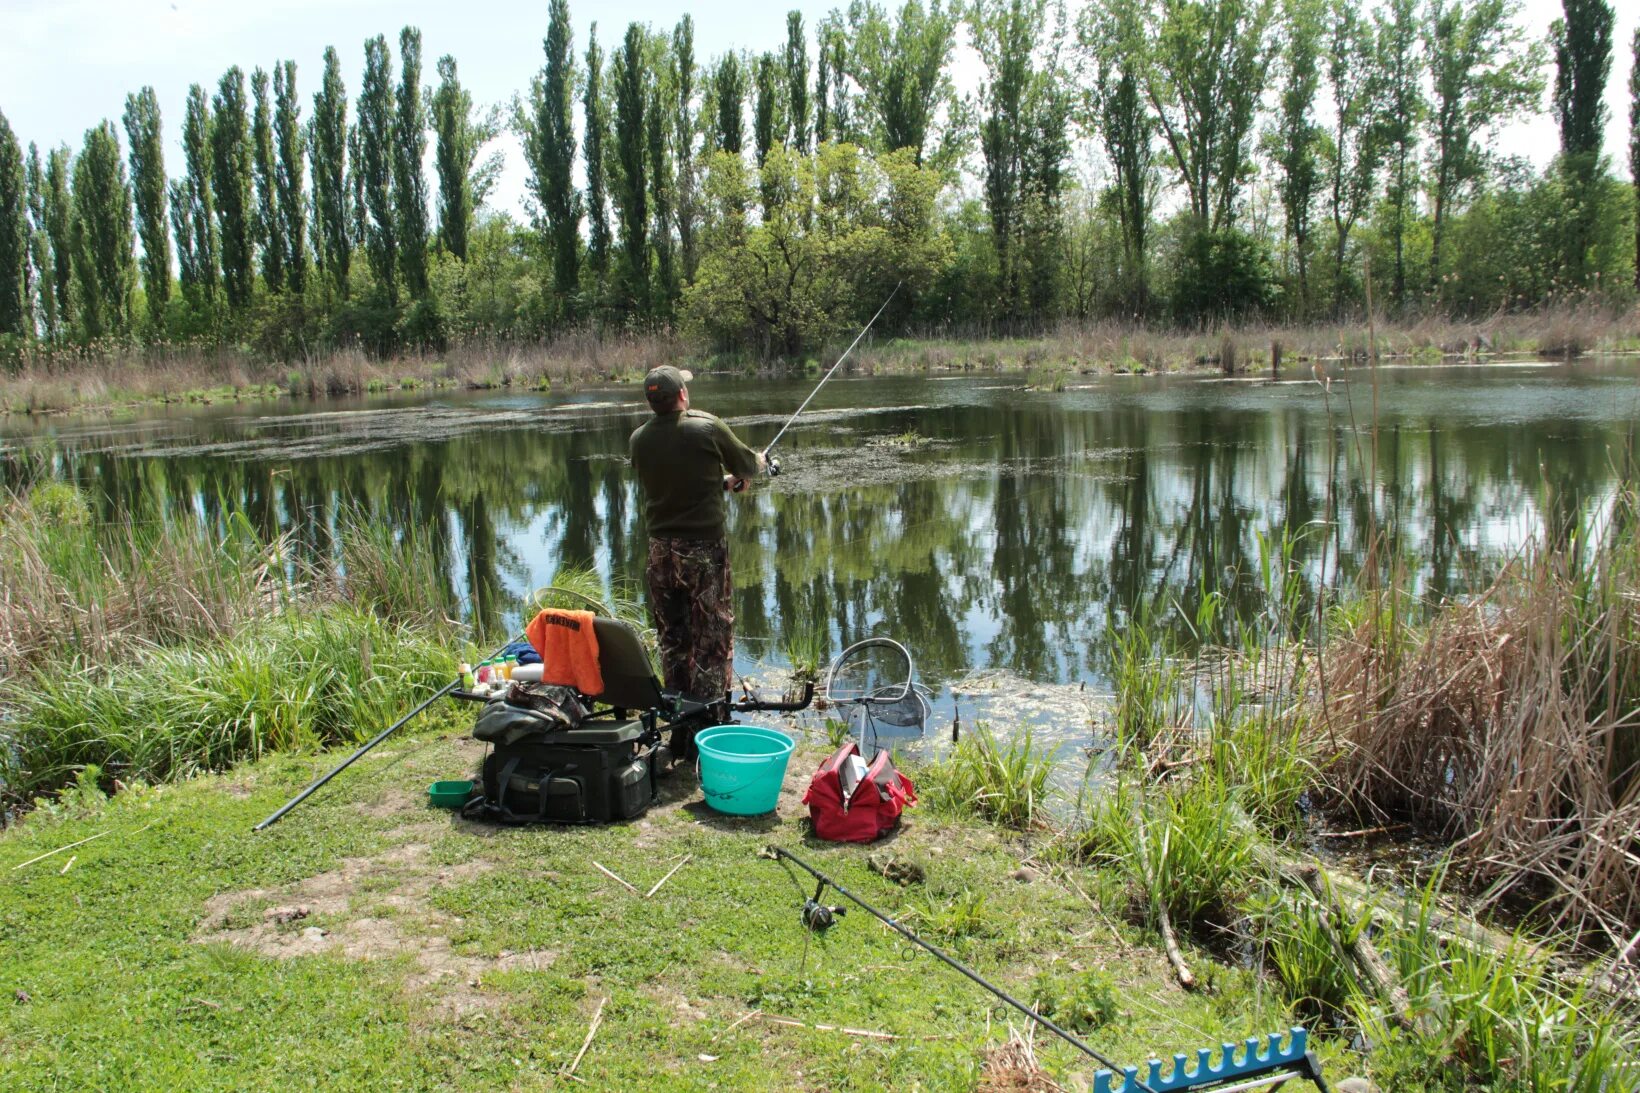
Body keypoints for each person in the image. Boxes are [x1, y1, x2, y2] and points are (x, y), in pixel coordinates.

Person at [629, 365, 766, 704]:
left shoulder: (638, 439)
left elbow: (672, 486)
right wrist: (759, 463)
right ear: (682, 395)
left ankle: (679, 719)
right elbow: (748, 465)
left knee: (673, 639)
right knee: (712, 639)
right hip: (703, 552)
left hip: (660, 553)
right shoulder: (706, 427)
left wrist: (721, 483)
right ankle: (708, 720)